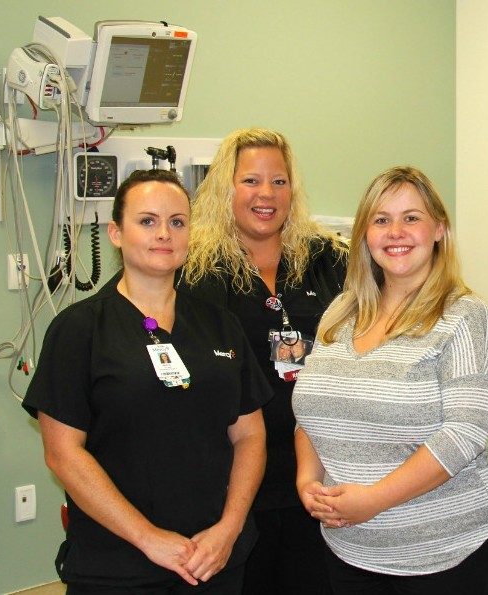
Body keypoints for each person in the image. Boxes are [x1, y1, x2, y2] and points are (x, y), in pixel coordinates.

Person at [23, 169, 271, 594]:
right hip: (119, 564)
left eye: (177, 222)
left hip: (214, 560)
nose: (164, 234)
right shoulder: (79, 330)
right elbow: (64, 455)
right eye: (147, 221)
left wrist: (228, 530)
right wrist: (147, 538)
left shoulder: (220, 326)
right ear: (116, 233)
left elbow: (249, 435)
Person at [292, 166, 488, 594]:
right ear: (364, 234)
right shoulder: (340, 312)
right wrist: (306, 481)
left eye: (412, 217)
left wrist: (373, 501)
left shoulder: (466, 317)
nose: (396, 232)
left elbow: (463, 436)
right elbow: (312, 414)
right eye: (381, 219)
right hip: (349, 550)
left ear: (439, 229)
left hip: (443, 555)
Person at [180, 128, 347, 593]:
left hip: (316, 478)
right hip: (234, 484)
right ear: (225, 188)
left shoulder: (328, 260)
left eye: (279, 181)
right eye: (251, 181)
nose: (266, 195)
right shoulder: (193, 272)